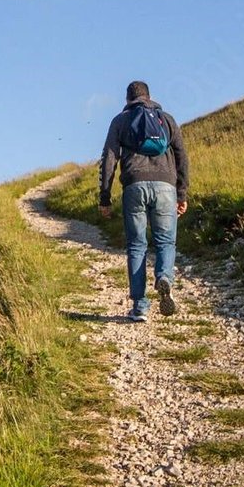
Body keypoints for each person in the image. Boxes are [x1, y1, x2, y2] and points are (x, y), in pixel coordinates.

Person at [98, 80, 189, 322]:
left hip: (134, 186)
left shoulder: (120, 121)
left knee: (137, 245)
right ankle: (164, 278)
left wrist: (104, 197)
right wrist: (182, 194)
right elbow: (181, 156)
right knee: (166, 242)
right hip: (165, 187)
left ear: (128, 100)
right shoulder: (166, 119)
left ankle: (140, 306)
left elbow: (109, 158)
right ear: (149, 97)